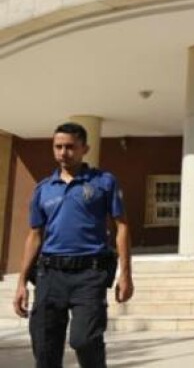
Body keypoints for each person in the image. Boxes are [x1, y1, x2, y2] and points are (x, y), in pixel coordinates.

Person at [12, 122, 134, 368]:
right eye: (58, 147)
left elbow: (122, 227)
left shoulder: (104, 182)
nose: (63, 152)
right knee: (44, 348)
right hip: (50, 275)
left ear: (84, 149)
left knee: (85, 340)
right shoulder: (43, 189)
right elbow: (34, 235)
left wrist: (126, 275)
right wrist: (21, 282)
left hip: (89, 274)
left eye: (70, 147)